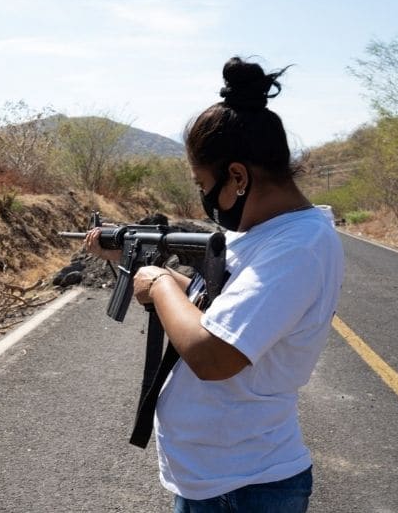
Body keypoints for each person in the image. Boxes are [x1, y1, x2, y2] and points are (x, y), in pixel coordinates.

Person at [85, 57, 344, 512]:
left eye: (203, 182)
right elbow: (217, 307)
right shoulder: (266, 234)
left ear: (238, 176)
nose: (204, 197)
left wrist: (161, 283)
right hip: (220, 481)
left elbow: (213, 354)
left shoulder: (296, 246)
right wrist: (126, 256)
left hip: (245, 488)